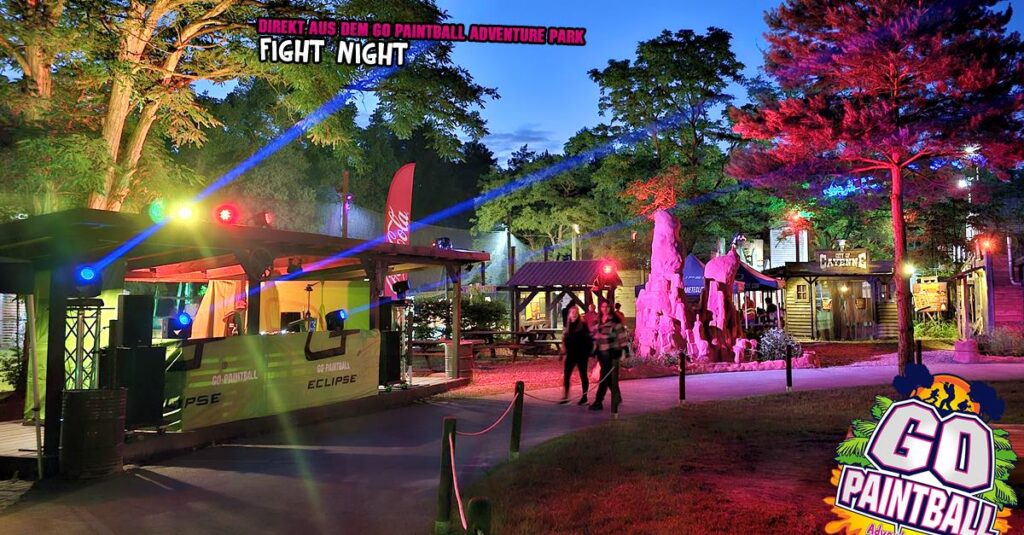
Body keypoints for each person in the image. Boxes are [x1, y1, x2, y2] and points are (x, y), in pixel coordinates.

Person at [590, 301, 627, 413]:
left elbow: (622, 337)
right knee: (609, 377)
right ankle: (617, 396)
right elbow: (594, 336)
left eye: (607, 307)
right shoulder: (598, 321)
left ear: (610, 308)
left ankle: (598, 401)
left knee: (604, 377)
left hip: (611, 353)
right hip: (601, 353)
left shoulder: (615, 322)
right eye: (603, 306)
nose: (605, 309)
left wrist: (624, 352)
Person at [560, 305, 593, 405]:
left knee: (583, 375)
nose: (574, 314)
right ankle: (566, 396)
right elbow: (565, 338)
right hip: (571, 354)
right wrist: (563, 350)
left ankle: (584, 397)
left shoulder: (582, 324)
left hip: (581, 354)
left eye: (575, 312)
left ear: (577, 313)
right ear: (570, 314)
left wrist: (588, 352)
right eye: (572, 312)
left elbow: (588, 339)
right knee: (567, 374)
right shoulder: (568, 325)